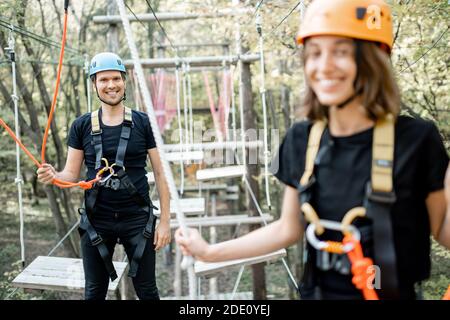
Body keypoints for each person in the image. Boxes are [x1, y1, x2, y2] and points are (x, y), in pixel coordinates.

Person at [175, 0, 450, 300]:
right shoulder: (301, 140)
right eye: (315, 53)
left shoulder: (416, 140)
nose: (324, 66)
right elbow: (287, 229)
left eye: (341, 52)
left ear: (373, 59)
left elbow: (442, 230)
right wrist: (211, 252)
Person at [37, 52, 171, 300]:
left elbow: (162, 174)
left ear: (124, 81)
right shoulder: (82, 126)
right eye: (103, 80)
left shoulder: (143, 123)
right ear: (94, 85)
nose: (111, 85)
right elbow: (70, 174)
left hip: (137, 219)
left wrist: (164, 221)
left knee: (147, 291)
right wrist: (54, 176)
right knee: (94, 292)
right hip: (97, 218)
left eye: (116, 79)